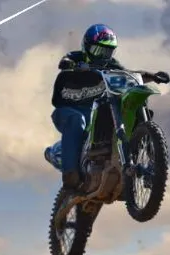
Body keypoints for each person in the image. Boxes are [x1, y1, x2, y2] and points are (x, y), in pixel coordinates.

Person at [49, 24, 124, 191]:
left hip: (93, 111)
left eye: (107, 52)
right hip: (67, 111)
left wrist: (149, 76)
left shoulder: (113, 65)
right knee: (77, 121)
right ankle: (70, 174)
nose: (102, 56)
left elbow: (126, 75)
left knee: (113, 113)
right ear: (87, 47)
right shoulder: (76, 57)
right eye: (98, 51)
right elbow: (66, 60)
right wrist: (70, 65)